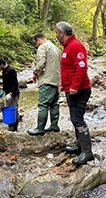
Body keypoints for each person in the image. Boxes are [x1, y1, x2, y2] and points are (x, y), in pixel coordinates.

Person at [55, 21, 93, 165]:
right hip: (70, 89)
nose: (56, 35)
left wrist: (75, 86)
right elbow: (68, 70)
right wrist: (62, 85)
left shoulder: (76, 46)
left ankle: (87, 153)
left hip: (80, 90)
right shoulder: (67, 47)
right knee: (75, 118)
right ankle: (80, 146)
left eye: (56, 33)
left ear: (62, 33)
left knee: (77, 119)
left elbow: (81, 67)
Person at [27, 33, 61, 136]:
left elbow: (40, 64)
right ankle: (54, 126)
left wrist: (35, 74)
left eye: (35, 43)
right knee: (54, 104)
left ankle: (40, 128)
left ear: (38, 40)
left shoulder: (43, 47)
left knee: (43, 105)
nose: (36, 45)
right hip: (56, 80)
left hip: (46, 80)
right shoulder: (55, 48)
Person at [0, 58, 20, 131]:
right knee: (9, 108)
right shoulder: (4, 70)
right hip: (7, 93)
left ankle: (15, 128)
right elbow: (5, 81)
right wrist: (3, 90)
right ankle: (10, 125)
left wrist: (11, 93)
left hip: (13, 93)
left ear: (2, 64)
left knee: (14, 110)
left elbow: (15, 83)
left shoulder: (11, 70)